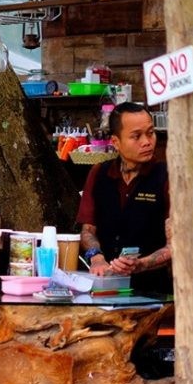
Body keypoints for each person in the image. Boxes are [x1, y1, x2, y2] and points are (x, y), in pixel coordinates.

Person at [76, 102, 172, 294]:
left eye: (150, 133)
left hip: (154, 292)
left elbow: (176, 245)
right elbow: (87, 230)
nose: (147, 141)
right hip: (105, 289)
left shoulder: (168, 176)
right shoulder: (99, 174)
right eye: (136, 136)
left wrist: (141, 264)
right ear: (115, 142)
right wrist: (96, 257)